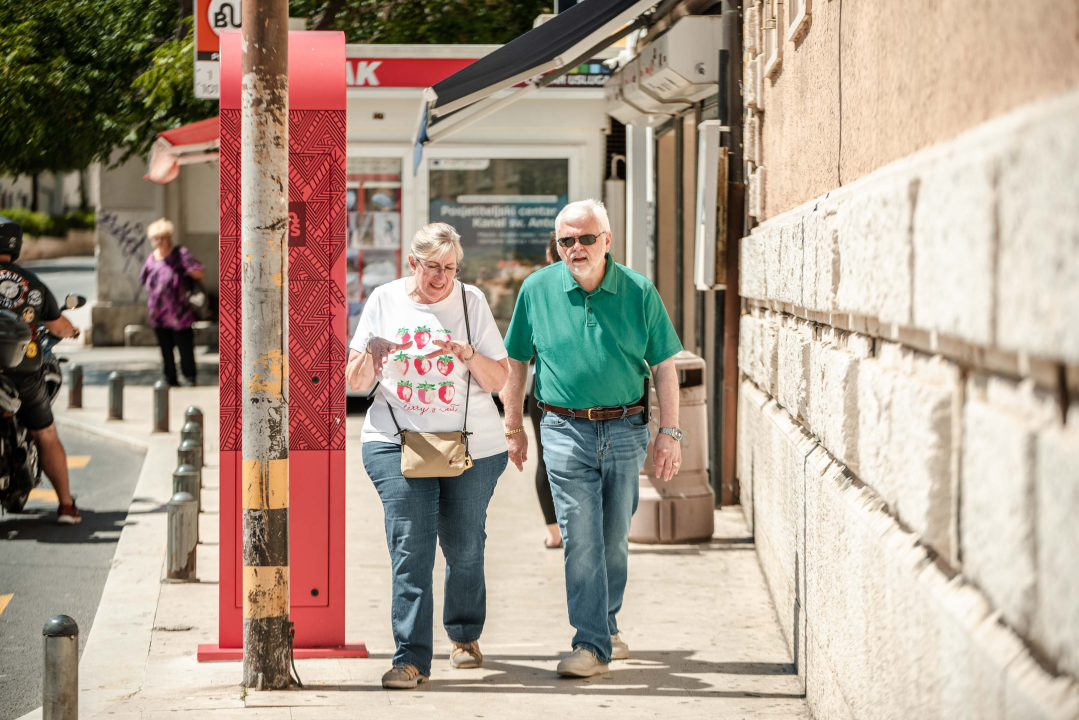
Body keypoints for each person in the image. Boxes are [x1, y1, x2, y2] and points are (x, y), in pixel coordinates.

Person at [501, 199, 684, 678]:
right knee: (581, 537)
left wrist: (670, 432)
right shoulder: (536, 289)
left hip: (626, 428)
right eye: (566, 240)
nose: (576, 248)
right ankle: (591, 644)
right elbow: (516, 362)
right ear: (556, 244)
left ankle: (606, 622)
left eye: (585, 238)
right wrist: (513, 425)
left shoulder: (639, 291)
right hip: (562, 429)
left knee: (613, 539)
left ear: (607, 240)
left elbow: (665, 365)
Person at [346, 222, 510, 690]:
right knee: (410, 548)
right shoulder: (384, 299)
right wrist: (372, 354)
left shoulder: (470, 300)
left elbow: (498, 380)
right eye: (432, 267)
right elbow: (355, 382)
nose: (441, 278)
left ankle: (463, 633)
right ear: (412, 264)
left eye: (450, 268)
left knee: (464, 546)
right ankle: (411, 659)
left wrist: (466, 353)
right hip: (394, 440)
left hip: (472, 444)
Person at [0, 216, 82, 524]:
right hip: (24, 370)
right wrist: (72, 331)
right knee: (45, 432)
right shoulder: (31, 283)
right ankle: (66, 506)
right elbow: (59, 326)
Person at [138, 219, 204, 387]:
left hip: (179, 311)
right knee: (165, 348)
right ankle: (170, 377)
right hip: (158, 312)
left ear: (169, 238)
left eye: (162, 238)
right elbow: (143, 278)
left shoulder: (180, 253)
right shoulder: (152, 258)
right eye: (156, 238)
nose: (159, 242)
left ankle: (190, 376)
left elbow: (198, 272)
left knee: (185, 346)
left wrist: (189, 272)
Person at [527, 234, 560, 548]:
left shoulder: (538, 289)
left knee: (546, 460)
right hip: (548, 391)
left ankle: (554, 532)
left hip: (542, 388)